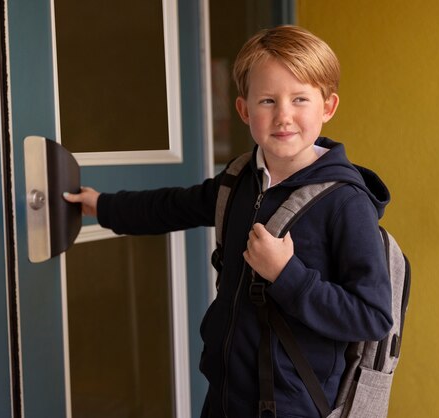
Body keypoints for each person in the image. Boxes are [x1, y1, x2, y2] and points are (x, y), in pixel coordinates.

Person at [64, 25, 393, 418]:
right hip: (225, 395)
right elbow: (173, 206)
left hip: (294, 406)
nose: (283, 116)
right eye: (267, 100)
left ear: (328, 107)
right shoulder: (240, 178)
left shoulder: (344, 202)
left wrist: (286, 274)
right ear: (244, 110)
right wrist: (103, 206)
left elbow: (371, 317)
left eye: (300, 99)